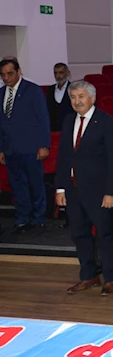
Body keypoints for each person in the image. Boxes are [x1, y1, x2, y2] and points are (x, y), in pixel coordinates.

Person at [55, 80, 113, 296]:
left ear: (93, 98)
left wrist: (111, 192)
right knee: (79, 234)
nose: (77, 101)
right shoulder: (68, 120)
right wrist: (60, 188)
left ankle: (110, 278)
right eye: (73, 97)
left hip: (99, 192)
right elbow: (63, 156)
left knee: (105, 234)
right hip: (73, 190)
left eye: (81, 97)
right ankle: (88, 275)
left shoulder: (107, 122)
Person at [0, 59, 50, 233]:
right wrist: (1, 149)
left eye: (10, 73)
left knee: (35, 183)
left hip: (31, 147)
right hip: (10, 148)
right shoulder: (1, 93)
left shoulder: (33, 90)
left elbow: (43, 119)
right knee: (17, 185)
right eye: (3, 75)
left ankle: (39, 218)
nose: (6, 78)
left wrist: (44, 145)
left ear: (19, 71)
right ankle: (23, 218)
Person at [47, 62, 74, 131]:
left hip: (70, 127)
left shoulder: (74, 89)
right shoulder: (50, 90)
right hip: (53, 129)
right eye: (55, 73)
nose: (58, 76)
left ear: (68, 73)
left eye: (61, 73)